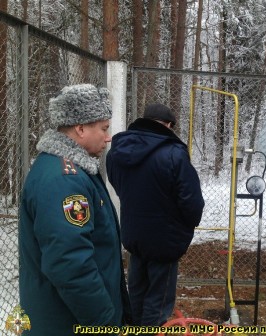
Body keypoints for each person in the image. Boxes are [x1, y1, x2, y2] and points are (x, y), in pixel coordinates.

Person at [19, 84, 131, 335]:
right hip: (66, 323)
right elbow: (70, 264)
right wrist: (104, 323)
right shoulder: (64, 180)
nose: (108, 136)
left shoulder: (71, 170)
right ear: (80, 128)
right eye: (103, 128)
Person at [106, 103, 205, 328]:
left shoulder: (118, 150)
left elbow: (117, 183)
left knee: (137, 290)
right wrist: (186, 224)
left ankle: (134, 328)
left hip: (134, 234)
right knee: (159, 300)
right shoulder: (173, 153)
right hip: (165, 238)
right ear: (168, 125)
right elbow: (191, 201)